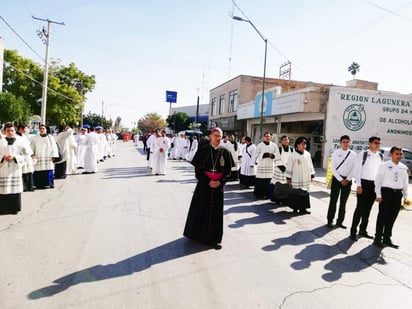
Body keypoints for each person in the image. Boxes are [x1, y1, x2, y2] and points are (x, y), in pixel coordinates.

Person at [183, 127, 233, 249]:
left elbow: (228, 172)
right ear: (210, 136)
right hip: (204, 186)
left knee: (216, 213)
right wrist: (208, 181)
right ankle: (197, 234)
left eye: (220, 136)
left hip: (218, 187)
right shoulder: (202, 151)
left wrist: (220, 182)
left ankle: (214, 239)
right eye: (216, 136)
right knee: (200, 209)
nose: (218, 138)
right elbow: (197, 171)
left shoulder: (226, 152)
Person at [373, 146, 409, 249]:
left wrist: (406, 197)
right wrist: (378, 195)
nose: (399, 156)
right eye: (396, 154)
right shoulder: (384, 166)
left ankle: (387, 238)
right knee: (382, 217)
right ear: (391, 155)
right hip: (386, 193)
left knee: (392, 218)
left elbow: (405, 184)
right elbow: (378, 181)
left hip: (397, 195)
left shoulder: (404, 167)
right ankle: (378, 238)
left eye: (400, 154)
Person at [349, 136, 383, 241]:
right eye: (375, 143)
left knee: (368, 209)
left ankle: (363, 230)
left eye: (379, 143)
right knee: (360, 208)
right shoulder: (363, 154)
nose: (377, 145)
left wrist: (379, 188)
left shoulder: (380, 156)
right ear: (370, 143)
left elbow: (380, 173)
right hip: (363, 184)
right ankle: (353, 231)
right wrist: (359, 185)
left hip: (374, 185)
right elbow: (357, 170)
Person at [0, 123, 31, 215]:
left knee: (14, 189)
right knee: (3, 189)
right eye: (8, 131)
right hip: (3, 168)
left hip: (15, 168)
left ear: (15, 131)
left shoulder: (21, 141)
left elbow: (26, 155)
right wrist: (2, 157)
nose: (10, 132)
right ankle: (3, 208)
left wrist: (15, 158)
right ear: (4, 131)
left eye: (12, 130)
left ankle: (14, 208)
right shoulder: (1, 142)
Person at [326, 135, 357, 228]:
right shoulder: (336, 153)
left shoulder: (353, 154)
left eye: (347, 141)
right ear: (340, 143)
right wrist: (340, 179)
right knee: (333, 201)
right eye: (343, 141)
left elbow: (354, 169)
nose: (345, 143)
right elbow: (333, 168)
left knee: (343, 202)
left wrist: (348, 179)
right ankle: (330, 220)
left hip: (347, 180)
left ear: (349, 142)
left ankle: (340, 221)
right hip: (337, 179)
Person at [285, 136, 315, 215]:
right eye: (302, 144)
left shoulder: (307, 154)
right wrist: (288, 178)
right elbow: (289, 166)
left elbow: (310, 165)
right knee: (296, 192)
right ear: (297, 145)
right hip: (296, 176)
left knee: (304, 192)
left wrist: (312, 175)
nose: (304, 145)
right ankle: (295, 208)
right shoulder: (293, 155)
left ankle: (303, 209)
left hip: (305, 176)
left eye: (305, 144)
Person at [30, 124, 59, 189]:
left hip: (48, 156)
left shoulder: (50, 137)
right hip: (38, 156)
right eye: (40, 129)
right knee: (38, 171)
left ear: (46, 130)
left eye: (43, 128)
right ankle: (38, 184)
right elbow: (32, 146)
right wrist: (32, 155)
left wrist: (54, 155)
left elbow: (54, 147)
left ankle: (50, 183)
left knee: (48, 170)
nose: (41, 130)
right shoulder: (35, 138)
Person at [253, 132, 280, 199]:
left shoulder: (274, 145)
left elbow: (278, 155)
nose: (268, 137)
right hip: (262, 165)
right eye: (266, 136)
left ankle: (269, 194)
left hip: (270, 165)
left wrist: (273, 155)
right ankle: (260, 194)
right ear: (264, 137)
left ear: (271, 137)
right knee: (261, 181)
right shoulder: (260, 145)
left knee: (269, 180)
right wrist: (265, 155)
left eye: (269, 136)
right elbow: (255, 155)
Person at [16, 124, 35, 192]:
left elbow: (28, 146)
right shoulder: (16, 137)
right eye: (24, 129)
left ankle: (30, 186)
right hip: (21, 156)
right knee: (23, 172)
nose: (25, 130)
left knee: (29, 171)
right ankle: (24, 187)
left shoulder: (24, 136)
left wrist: (32, 154)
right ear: (20, 128)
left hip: (27, 156)